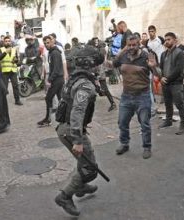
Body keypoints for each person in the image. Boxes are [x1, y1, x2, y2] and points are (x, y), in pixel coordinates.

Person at [54, 46, 104, 217]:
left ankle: (80, 186)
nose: (98, 67)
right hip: (71, 131)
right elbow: (77, 112)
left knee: (83, 163)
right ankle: (65, 196)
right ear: (89, 64)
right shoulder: (85, 85)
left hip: (65, 128)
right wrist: (78, 140)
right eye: (96, 64)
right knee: (90, 169)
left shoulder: (75, 79)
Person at [113, 35, 158, 159]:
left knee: (144, 124)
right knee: (122, 122)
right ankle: (124, 143)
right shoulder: (123, 55)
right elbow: (113, 64)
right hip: (126, 96)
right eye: (129, 45)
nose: (131, 47)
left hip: (142, 96)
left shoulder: (146, 56)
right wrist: (122, 50)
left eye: (134, 45)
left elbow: (158, 75)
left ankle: (147, 147)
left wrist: (153, 66)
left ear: (139, 44)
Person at [158, 32, 184, 135]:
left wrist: (167, 79)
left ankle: (183, 125)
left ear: (175, 40)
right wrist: (161, 78)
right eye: (165, 40)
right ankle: (168, 121)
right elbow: (160, 68)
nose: (166, 41)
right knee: (167, 103)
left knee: (179, 104)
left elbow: (178, 70)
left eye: (169, 39)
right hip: (165, 83)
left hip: (176, 83)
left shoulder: (179, 53)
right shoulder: (163, 54)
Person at [37, 35, 65, 126]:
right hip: (58, 79)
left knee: (48, 98)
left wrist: (49, 80)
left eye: (48, 43)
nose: (46, 45)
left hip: (57, 79)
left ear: (52, 42)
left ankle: (48, 119)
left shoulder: (55, 53)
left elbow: (56, 69)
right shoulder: (51, 52)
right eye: (45, 43)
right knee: (60, 99)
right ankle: (63, 117)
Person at [88, 37, 117, 112]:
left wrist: (99, 73)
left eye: (97, 41)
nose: (96, 42)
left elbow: (102, 61)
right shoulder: (96, 50)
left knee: (103, 88)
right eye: (95, 41)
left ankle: (112, 103)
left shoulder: (101, 50)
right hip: (97, 71)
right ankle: (103, 94)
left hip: (99, 71)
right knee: (97, 87)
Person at [0, 36, 23, 106]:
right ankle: (2, 102)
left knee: (15, 86)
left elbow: (17, 60)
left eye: (8, 41)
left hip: (13, 70)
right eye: (6, 41)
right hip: (5, 71)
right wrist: (6, 52)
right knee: (4, 87)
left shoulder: (14, 49)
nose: (7, 42)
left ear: (11, 42)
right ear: (4, 42)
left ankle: (17, 100)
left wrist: (16, 61)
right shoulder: (1, 49)